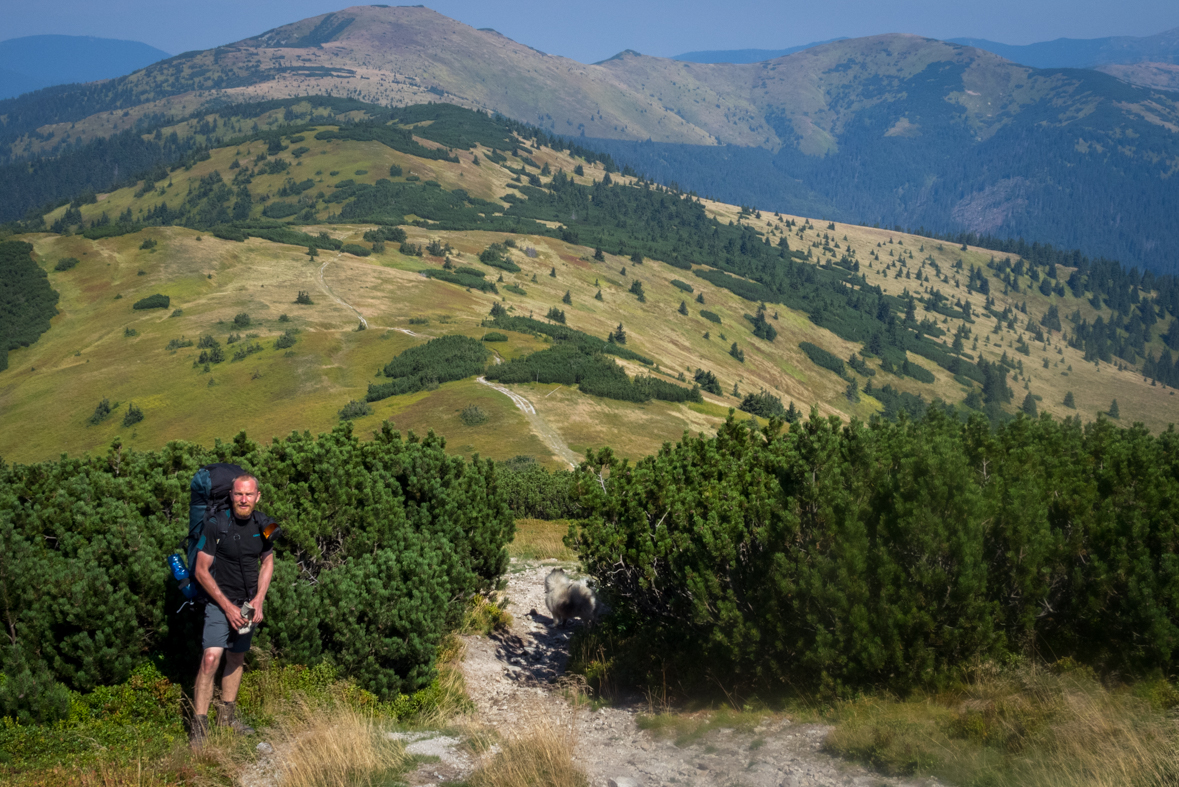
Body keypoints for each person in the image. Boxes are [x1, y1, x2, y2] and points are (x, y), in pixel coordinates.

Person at [190, 473, 277, 748]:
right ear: (231, 495)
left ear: (258, 496)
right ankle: (199, 728)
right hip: (220, 603)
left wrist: (259, 600)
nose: (243, 499)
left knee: (237, 656)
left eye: (249, 494)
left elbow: (268, 561)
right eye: (238, 494)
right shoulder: (216, 524)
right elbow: (201, 571)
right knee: (211, 659)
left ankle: (227, 718)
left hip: (248, 604)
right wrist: (227, 608)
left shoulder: (267, 525)